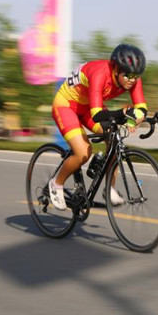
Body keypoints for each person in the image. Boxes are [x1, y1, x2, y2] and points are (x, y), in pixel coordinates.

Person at [49, 44, 148, 210]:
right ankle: (56, 183)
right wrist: (124, 113)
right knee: (83, 152)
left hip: (88, 106)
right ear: (116, 69)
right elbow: (96, 114)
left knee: (115, 138)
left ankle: (109, 188)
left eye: (136, 76)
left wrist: (137, 118)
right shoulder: (100, 73)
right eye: (128, 75)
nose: (132, 80)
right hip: (67, 105)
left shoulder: (133, 79)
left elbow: (142, 107)